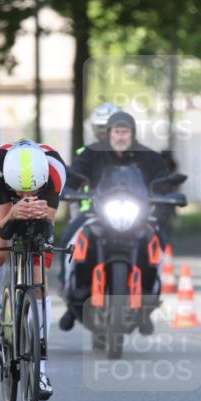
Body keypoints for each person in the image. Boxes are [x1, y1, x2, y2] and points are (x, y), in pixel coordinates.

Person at [59, 110, 170, 333]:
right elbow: (74, 174)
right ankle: (68, 290)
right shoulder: (92, 153)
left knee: (159, 237)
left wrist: (165, 198)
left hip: (137, 215)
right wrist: (69, 189)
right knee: (70, 233)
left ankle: (149, 298)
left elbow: (164, 180)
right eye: (117, 132)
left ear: (133, 133)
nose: (121, 137)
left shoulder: (147, 156)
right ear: (109, 133)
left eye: (125, 132)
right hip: (98, 213)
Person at [0, 138, 66, 399]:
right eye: (21, 192)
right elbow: (3, 226)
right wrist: (14, 212)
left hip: (40, 210)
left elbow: (47, 228)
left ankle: (40, 371)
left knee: (40, 279)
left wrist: (38, 213)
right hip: (3, 209)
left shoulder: (55, 170)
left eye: (33, 192)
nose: (27, 197)